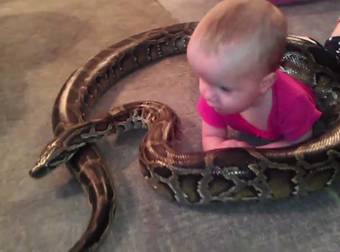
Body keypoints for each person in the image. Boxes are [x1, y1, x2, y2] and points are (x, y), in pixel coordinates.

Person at [187, 0, 326, 151]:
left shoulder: (294, 103)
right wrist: (217, 146)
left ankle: (307, 43)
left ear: (264, 84)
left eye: (225, 88)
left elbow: (301, 141)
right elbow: (210, 137)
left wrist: (256, 155)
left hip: (301, 86)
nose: (207, 94)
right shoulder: (213, 97)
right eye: (203, 78)